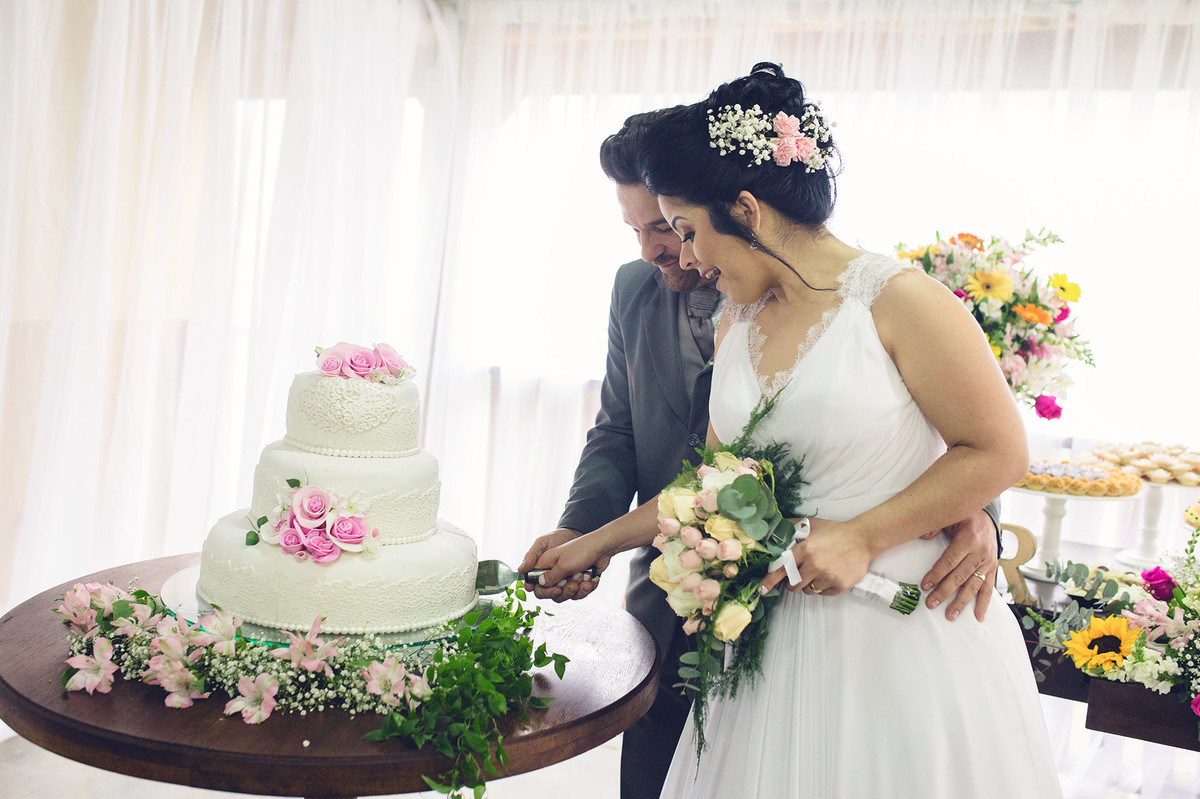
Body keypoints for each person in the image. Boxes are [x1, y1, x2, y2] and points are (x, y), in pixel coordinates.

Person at [519, 101, 1017, 799]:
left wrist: (877, 533)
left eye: (683, 230)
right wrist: (594, 540)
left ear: (746, 210)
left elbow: (996, 448)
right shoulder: (739, 315)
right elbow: (718, 482)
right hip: (771, 635)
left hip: (900, 632)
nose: (682, 255)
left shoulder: (903, 300)